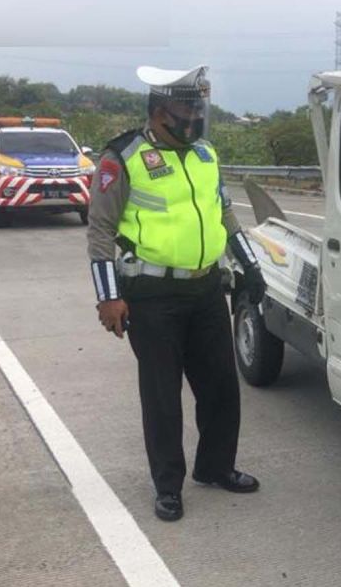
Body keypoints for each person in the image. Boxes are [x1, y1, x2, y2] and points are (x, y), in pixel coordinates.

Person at [87, 65, 266, 521]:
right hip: (151, 296)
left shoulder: (205, 154)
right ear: (159, 112)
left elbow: (224, 214)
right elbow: (101, 230)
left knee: (221, 387)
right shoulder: (122, 157)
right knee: (163, 397)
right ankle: (168, 486)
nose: (194, 121)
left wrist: (250, 265)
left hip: (206, 289)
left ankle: (216, 467)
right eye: (186, 113)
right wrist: (108, 297)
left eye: (198, 111)